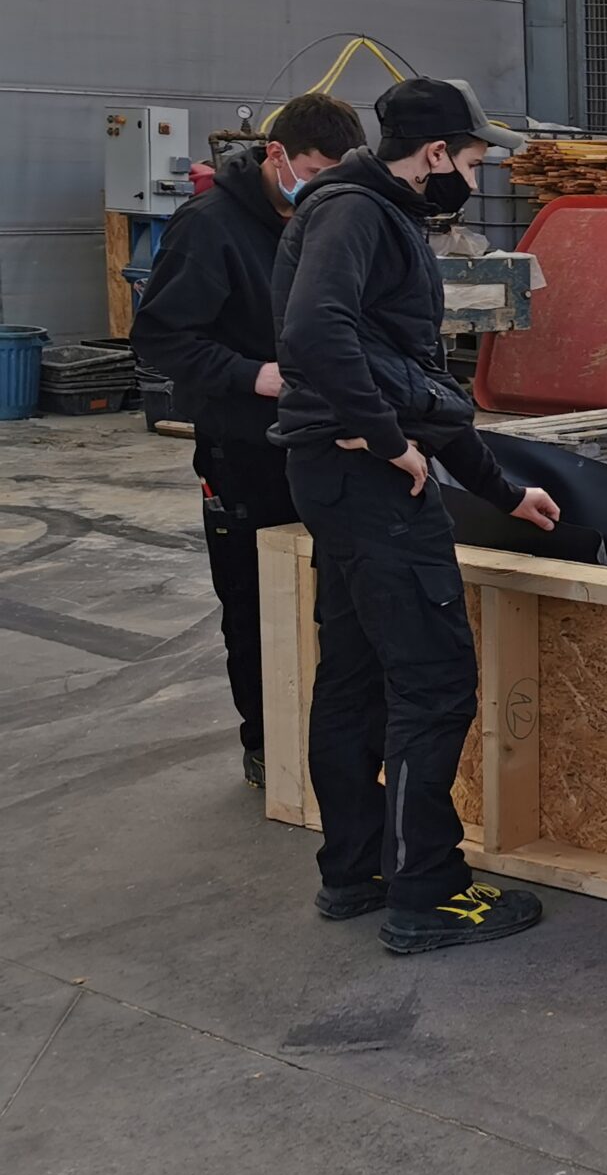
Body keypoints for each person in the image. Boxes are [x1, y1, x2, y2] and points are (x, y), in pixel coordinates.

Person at [271, 78, 562, 949]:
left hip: (340, 477)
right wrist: (386, 437)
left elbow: (416, 382)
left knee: (356, 677)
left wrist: (504, 491)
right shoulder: (357, 213)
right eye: (470, 163)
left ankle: (355, 868)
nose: (472, 180)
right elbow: (313, 331)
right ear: (434, 154)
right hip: (368, 484)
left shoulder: (368, 212)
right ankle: (425, 890)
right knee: (433, 684)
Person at [132, 92, 365, 789]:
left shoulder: (332, 218)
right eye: (313, 174)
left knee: (336, 597)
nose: (322, 190)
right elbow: (160, 337)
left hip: (325, 440)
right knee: (257, 600)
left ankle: (334, 742)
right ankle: (268, 743)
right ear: (276, 155)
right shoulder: (210, 228)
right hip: (245, 446)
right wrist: (249, 375)